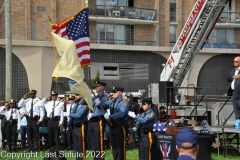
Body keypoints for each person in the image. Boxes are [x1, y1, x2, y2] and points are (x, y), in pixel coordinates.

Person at [98, 86, 129, 160]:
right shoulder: (112, 101)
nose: (113, 93)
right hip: (112, 126)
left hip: (120, 126)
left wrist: (110, 116)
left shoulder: (124, 102)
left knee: (120, 147)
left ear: (120, 93)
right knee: (114, 147)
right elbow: (104, 106)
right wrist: (98, 103)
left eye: (115, 92)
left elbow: (121, 113)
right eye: (113, 92)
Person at [88, 81, 108, 160]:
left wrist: (99, 104)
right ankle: (96, 158)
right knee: (93, 142)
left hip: (99, 121)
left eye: (98, 86)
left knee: (99, 141)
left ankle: (100, 158)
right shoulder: (95, 96)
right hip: (92, 121)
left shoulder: (105, 97)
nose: (96, 88)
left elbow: (103, 107)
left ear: (102, 88)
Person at [68, 94, 89, 160]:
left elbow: (79, 115)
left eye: (77, 95)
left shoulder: (85, 104)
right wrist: (69, 125)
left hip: (81, 126)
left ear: (81, 96)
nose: (75, 96)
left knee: (81, 145)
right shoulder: (77, 104)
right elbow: (73, 114)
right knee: (76, 146)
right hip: (74, 127)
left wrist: (69, 114)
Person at [227, 56, 240, 120]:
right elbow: (228, 79)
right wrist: (234, 77)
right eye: (234, 61)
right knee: (236, 111)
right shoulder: (233, 70)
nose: (234, 62)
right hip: (234, 93)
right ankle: (238, 125)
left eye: (236, 61)